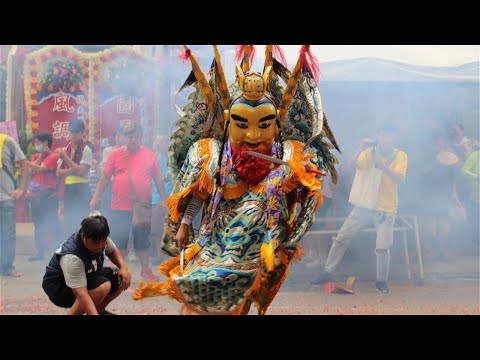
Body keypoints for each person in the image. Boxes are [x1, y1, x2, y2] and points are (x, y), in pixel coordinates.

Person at [132, 45, 340, 315]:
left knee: (238, 304)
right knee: (198, 299)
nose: (253, 135)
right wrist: (185, 223)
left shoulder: (290, 158)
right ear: (229, 121)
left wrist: (291, 237)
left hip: (256, 246)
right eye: (242, 124)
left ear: (276, 123)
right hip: (215, 242)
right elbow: (201, 193)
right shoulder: (213, 155)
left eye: (263, 124)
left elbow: (311, 202)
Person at [310, 125, 408, 294]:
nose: (386, 138)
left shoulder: (401, 155)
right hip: (364, 204)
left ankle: (381, 281)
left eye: (390, 135)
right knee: (341, 238)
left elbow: (399, 178)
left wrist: (382, 165)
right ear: (379, 135)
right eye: (383, 134)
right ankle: (328, 272)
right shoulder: (368, 152)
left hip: (386, 207)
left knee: (383, 246)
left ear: (395, 137)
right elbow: (349, 167)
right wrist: (361, 148)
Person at [90, 121, 167, 282]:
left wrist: (164, 200)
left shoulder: (149, 155)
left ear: (141, 137)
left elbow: (158, 180)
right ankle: (119, 271)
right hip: (119, 205)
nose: (133, 139)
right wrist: (95, 197)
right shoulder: (115, 155)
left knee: (142, 239)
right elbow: (104, 178)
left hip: (142, 206)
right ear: (125, 137)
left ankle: (146, 270)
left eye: (136, 136)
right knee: (120, 239)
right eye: (130, 136)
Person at [42, 214, 131, 315]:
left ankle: (99, 310)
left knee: (121, 276)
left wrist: (123, 268)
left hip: (86, 276)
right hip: (60, 288)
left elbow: (112, 251)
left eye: (103, 241)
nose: (100, 246)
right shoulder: (72, 257)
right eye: (96, 242)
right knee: (103, 286)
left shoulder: (100, 235)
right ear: (83, 237)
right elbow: (82, 294)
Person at [56, 119, 93, 239]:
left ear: (83, 132)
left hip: (82, 189)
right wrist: (75, 169)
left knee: (82, 219)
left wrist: (66, 159)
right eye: (71, 132)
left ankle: (84, 249)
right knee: (69, 219)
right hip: (69, 189)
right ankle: (73, 247)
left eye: (76, 132)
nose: (73, 134)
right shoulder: (65, 149)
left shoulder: (86, 150)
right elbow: (58, 172)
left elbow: (83, 172)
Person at [26, 132, 60, 261]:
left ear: (46, 143)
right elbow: (30, 170)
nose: (36, 144)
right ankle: (39, 251)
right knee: (38, 224)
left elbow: (40, 168)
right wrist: (40, 156)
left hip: (49, 195)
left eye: (38, 142)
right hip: (36, 195)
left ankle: (58, 251)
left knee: (52, 223)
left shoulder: (53, 156)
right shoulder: (36, 155)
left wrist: (39, 160)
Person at [0, 132, 29, 277]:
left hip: (6, 197)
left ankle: (7, 267)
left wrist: (21, 188)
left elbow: (24, 162)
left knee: (8, 234)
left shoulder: (7, 141)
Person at [461, 149, 479, 247]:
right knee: (477, 223)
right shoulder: (475, 155)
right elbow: (464, 170)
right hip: (476, 197)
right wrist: (476, 176)